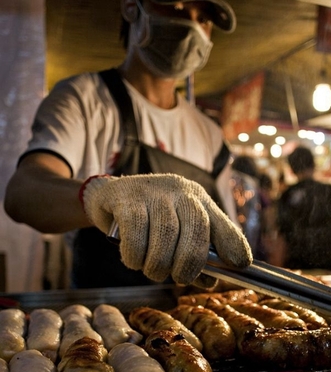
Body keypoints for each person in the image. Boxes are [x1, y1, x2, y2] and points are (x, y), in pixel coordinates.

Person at [3, 0, 252, 289]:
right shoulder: (84, 99)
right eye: (175, 6)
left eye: (204, 19)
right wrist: (103, 196)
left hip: (189, 317)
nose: (190, 25)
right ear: (132, 7)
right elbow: (23, 193)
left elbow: (227, 247)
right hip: (101, 317)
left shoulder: (209, 133)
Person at [275, 146, 331, 272]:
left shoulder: (287, 195)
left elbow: (282, 235)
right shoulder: (330, 191)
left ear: (292, 169)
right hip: (330, 258)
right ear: (314, 164)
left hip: (297, 261)